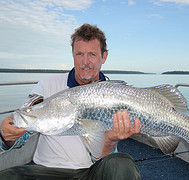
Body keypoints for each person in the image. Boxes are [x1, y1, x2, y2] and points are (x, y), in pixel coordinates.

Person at [0, 24, 141, 179]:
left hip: (90, 171)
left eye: (92, 54)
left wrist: (110, 142)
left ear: (104, 56)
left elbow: (101, 158)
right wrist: (7, 137)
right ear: (73, 54)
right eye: (79, 54)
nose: (85, 62)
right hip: (46, 170)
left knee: (122, 165)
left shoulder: (115, 94)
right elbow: (23, 133)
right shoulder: (47, 84)